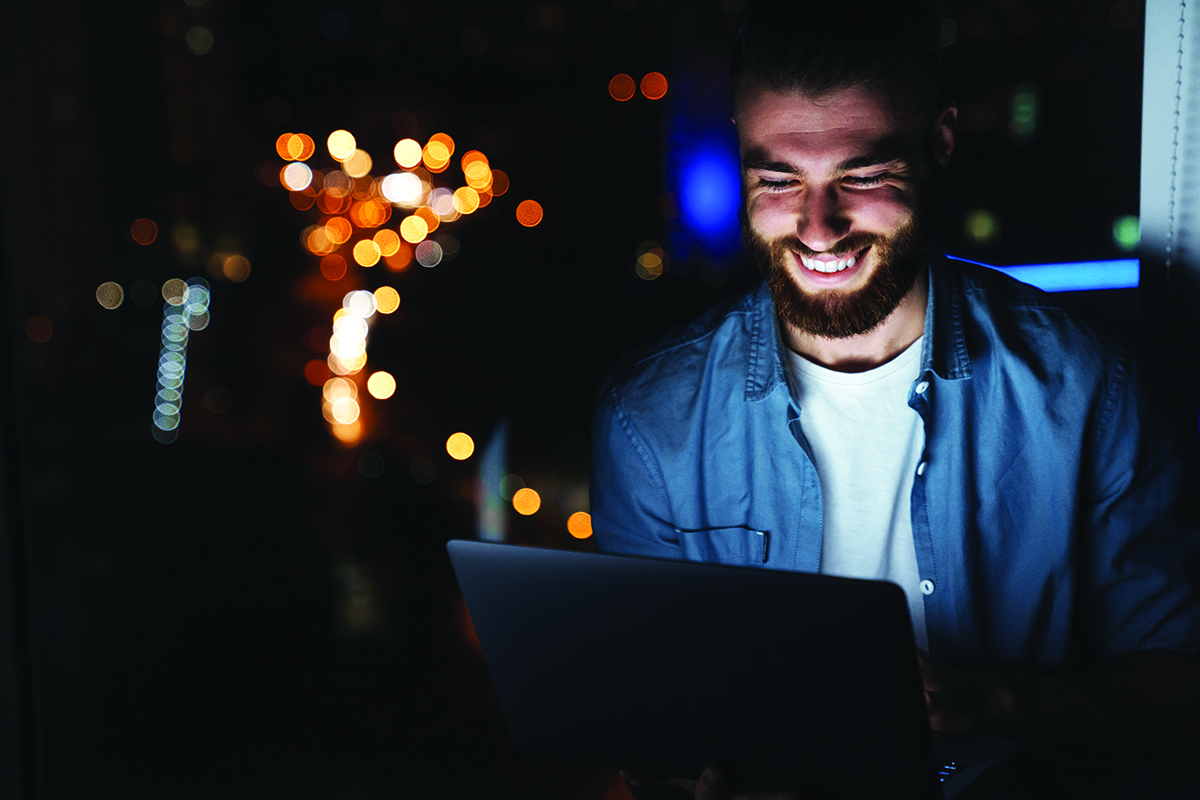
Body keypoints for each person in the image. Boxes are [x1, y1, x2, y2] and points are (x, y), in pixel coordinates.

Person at [589, 1, 1200, 797]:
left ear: (939, 143)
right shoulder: (648, 419)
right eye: (778, 179)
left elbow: (1181, 691)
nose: (818, 227)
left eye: (863, 175)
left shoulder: (1094, 384)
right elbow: (648, 730)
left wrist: (994, 703)